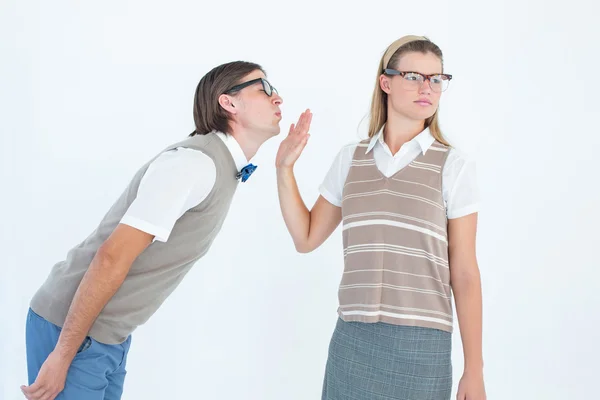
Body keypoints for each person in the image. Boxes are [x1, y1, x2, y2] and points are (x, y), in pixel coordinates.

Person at [21, 60, 293, 400]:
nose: (278, 98)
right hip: (70, 330)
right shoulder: (194, 164)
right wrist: (62, 355)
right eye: (264, 88)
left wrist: (285, 167)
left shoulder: (223, 166)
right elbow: (111, 257)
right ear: (229, 102)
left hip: (109, 336)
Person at [275, 36, 486, 399]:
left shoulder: (453, 166)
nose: (428, 88)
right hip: (352, 339)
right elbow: (306, 238)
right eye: (414, 76)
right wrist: (284, 169)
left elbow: (465, 273)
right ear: (385, 82)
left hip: (422, 344)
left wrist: (474, 370)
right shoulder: (350, 158)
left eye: (437, 79)